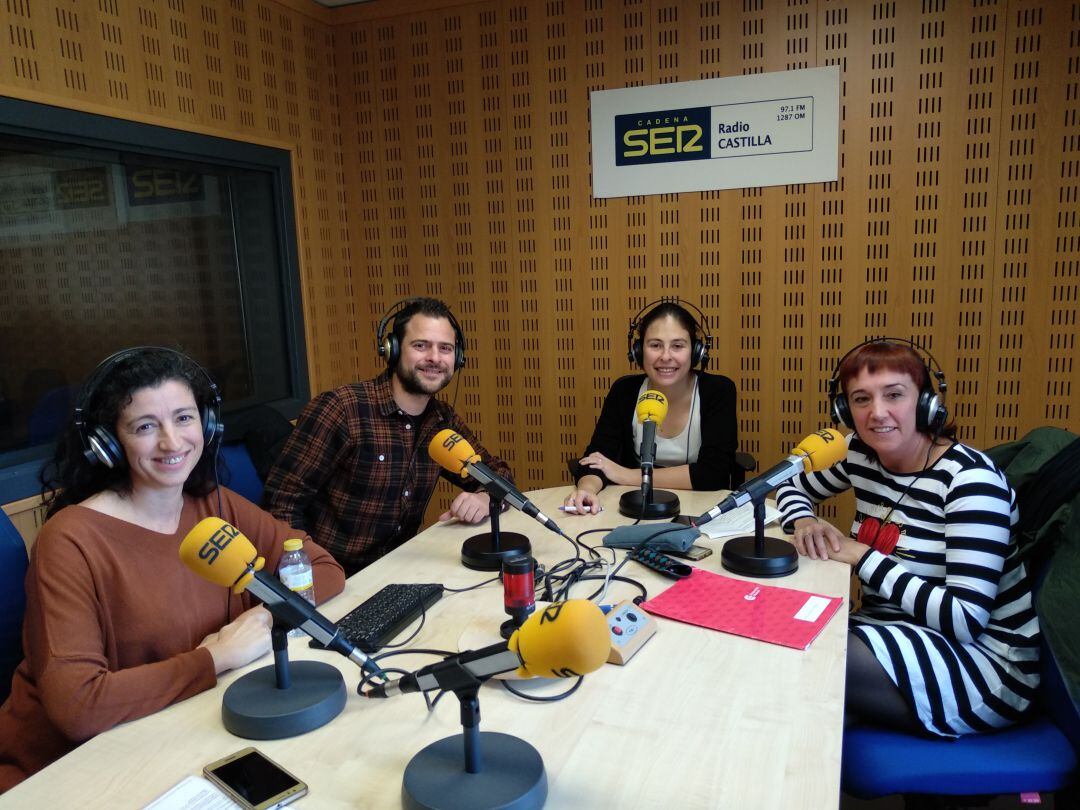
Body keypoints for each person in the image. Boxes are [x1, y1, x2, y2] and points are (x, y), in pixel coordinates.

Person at [0, 347, 345, 790]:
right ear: (108, 445)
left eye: (184, 418)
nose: (172, 441)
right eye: (146, 426)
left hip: (184, 728)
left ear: (208, 424)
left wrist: (268, 613)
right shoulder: (70, 541)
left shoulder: (212, 506)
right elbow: (78, 705)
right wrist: (216, 657)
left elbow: (321, 567)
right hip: (68, 773)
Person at [775, 339, 1040, 737]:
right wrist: (803, 522)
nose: (877, 413)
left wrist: (862, 557)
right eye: (861, 399)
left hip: (984, 666)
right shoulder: (859, 455)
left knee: (804, 652)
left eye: (894, 395)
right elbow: (791, 485)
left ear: (926, 404)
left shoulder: (970, 482)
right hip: (889, 631)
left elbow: (966, 620)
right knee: (792, 694)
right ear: (844, 410)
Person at [263, 298, 512, 575]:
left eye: (445, 349)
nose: (434, 358)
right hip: (336, 579)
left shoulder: (442, 421)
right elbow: (281, 507)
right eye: (421, 345)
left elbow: (498, 474)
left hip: (398, 572)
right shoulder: (342, 409)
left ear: (458, 358)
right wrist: (310, 579)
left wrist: (484, 497)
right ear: (391, 350)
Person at [564, 300, 737, 514]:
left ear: (696, 352)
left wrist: (624, 475)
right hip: (635, 510)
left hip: (700, 511)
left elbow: (713, 474)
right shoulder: (625, 391)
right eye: (655, 345)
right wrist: (587, 489)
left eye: (677, 346)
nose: (665, 356)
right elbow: (598, 458)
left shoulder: (717, 391)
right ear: (638, 351)